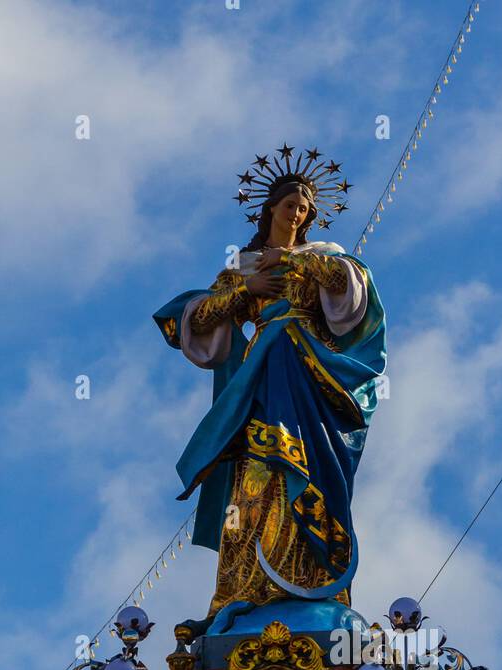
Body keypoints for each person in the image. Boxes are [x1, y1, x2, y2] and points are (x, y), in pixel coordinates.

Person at [154, 153, 386, 630]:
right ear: (271, 210)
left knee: (315, 470)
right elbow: (195, 322)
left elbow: (355, 293)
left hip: (308, 377)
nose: (297, 214)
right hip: (263, 374)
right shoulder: (245, 266)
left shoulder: (323, 254)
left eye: (304, 208)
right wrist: (247, 289)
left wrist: (305, 267)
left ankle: (315, 579)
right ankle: (241, 592)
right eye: (289, 206)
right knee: (255, 475)